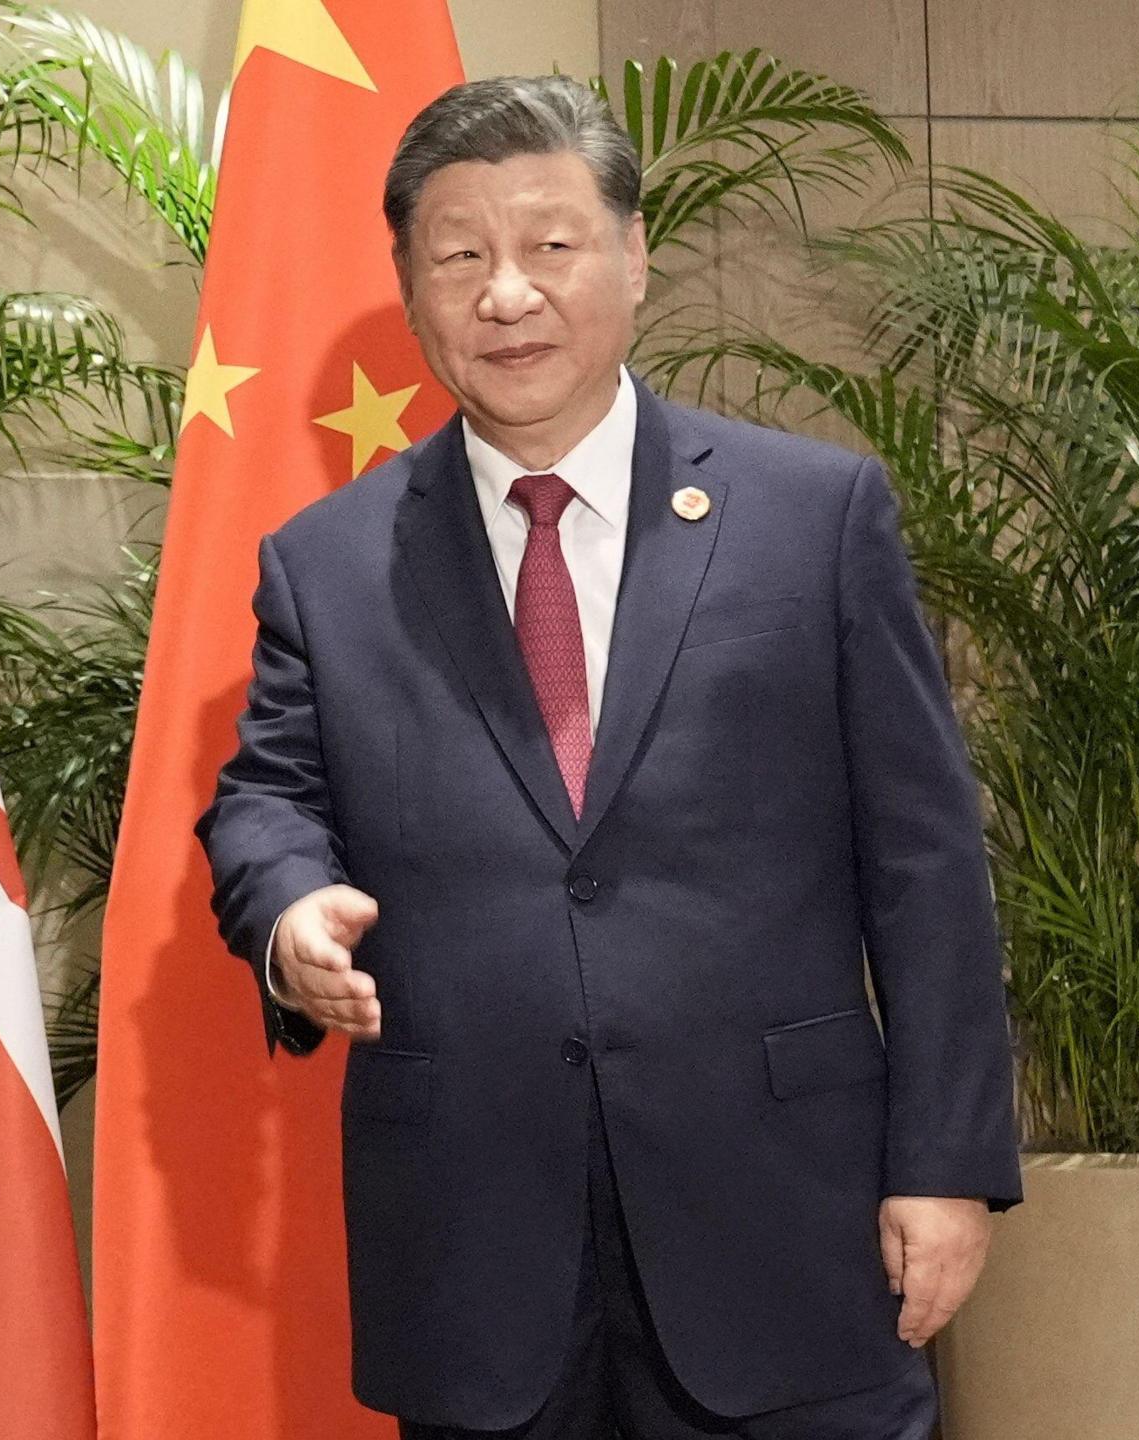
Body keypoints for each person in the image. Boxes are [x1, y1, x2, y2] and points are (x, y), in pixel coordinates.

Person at [197, 76, 1022, 1439]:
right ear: (408, 291)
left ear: (635, 257)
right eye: (459, 256)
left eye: (550, 245)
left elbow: (927, 865)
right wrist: (288, 911)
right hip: (477, 1251)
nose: (506, 294)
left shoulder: (812, 517)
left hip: (787, 1230)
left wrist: (947, 1168)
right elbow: (268, 796)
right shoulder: (330, 564)